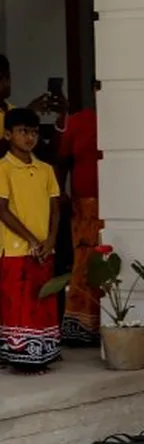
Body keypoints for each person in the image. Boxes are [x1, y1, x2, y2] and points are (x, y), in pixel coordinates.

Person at [0, 108, 62, 374]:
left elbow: (56, 209)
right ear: (8, 134)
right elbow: (2, 210)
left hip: (44, 249)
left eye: (34, 132)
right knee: (18, 303)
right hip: (15, 249)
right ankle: (20, 358)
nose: (29, 137)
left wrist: (50, 240)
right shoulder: (3, 168)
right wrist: (32, 240)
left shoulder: (45, 169)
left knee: (42, 300)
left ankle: (42, 353)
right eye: (23, 131)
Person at [58, 81, 103, 346]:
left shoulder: (128, 122)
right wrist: (60, 193)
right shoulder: (79, 121)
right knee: (84, 261)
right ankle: (81, 326)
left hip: (118, 204)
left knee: (109, 261)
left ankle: (110, 322)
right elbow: (63, 160)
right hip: (85, 206)